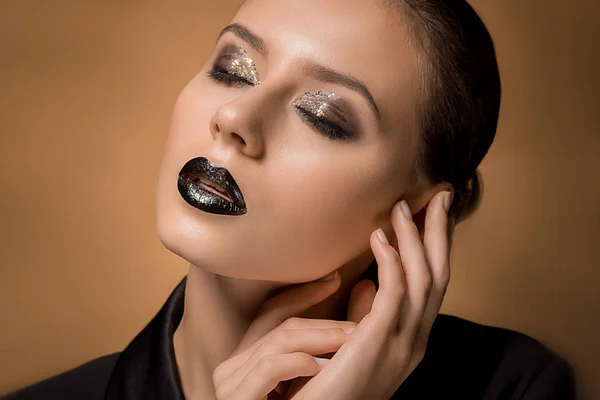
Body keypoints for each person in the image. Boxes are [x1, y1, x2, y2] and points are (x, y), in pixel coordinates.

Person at [3, 0, 577, 399]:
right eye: (233, 68)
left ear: (423, 212)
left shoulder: (516, 387)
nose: (234, 118)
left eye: (322, 116)